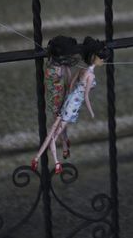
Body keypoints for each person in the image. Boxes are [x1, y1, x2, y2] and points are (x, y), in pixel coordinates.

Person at [32, 41, 108, 174]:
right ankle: (56, 162)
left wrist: (70, 96)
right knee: (54, 135)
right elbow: (86, 97)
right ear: (95, 58)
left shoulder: (82, 69)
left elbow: (72, 84)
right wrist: (91, 111)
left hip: (69, 100)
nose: (103, 61)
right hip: (71, 106)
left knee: (53, 131)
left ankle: (37, 158)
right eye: (102, 58)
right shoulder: (90, 75)